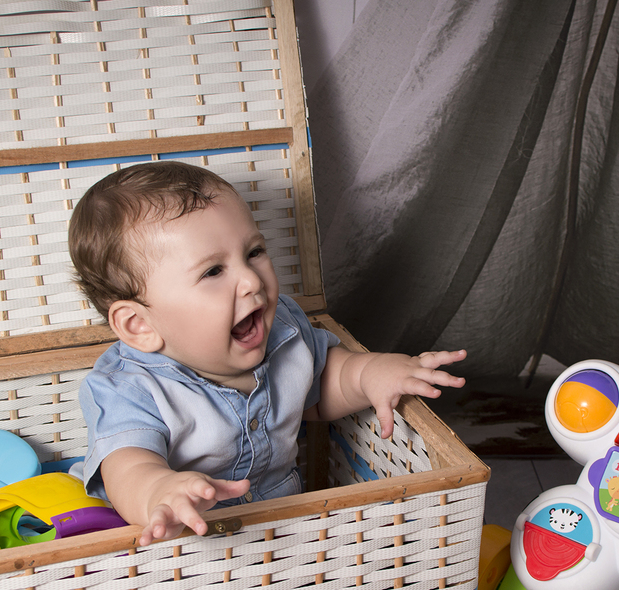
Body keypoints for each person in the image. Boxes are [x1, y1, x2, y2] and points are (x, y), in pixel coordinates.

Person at [70, 161, 466, 546]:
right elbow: (128, 467)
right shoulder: (128, 387)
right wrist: (159, 490)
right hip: (183, 544)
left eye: (254, 251)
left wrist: (371, 373)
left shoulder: (285, 331)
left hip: (282, 528)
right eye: (212, 272)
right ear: (140, 326)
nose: (250, 279)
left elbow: (323, 382)